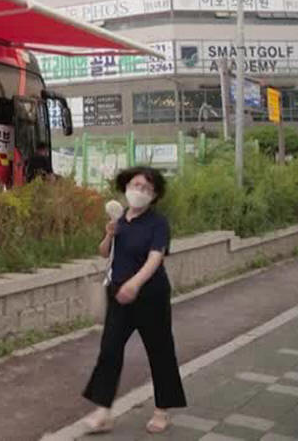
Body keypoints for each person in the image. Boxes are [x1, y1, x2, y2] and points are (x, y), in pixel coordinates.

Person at [83, 166, 186, 434]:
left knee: (160, 351)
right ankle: (103, 412)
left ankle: (162, 410)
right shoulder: (120, 220)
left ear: (154, 195)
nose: (139, 191)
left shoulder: (158, 223)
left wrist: (135, 283)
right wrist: (109, 233)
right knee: (109, 350)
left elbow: (156, 257)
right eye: (135, 185)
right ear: (126, 186)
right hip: (119, 295)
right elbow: (104, 253)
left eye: (146, 188)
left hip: (150, 297)